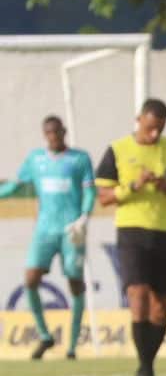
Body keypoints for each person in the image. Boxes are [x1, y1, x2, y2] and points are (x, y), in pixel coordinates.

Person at [94, 99, 166, 376]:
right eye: (150, 128)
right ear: (138, 119)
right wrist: (133, 186)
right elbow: (103, 197)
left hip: (164, 232)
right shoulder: (118, 149)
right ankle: (147, 372)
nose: (154, 135)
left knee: (161, 306)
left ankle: (145, 366)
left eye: (159, 129)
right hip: (132, 232)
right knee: (138, 294)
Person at [0, 116, 97, 359]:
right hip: (44, 229)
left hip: (71, 229)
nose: (53, 137)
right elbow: (15, 186)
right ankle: (45, 335)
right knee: (30, 279)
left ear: (64, 132)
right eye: (49, 133)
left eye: (56, 132)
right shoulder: (36, 160)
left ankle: (72, 347)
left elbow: (89, 190)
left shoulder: (79, 159)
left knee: (75, 282)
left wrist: (85, 216)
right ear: (45, 135)